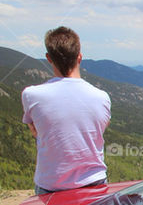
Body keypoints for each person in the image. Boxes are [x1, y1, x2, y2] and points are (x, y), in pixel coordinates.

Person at [21, 26, 111, 194]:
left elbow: (35, 131)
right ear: (80, 57)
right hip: (94, 181)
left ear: (48, 58)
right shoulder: (102, 97)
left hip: (51, 185)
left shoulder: (31, 95)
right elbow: (100, 129)